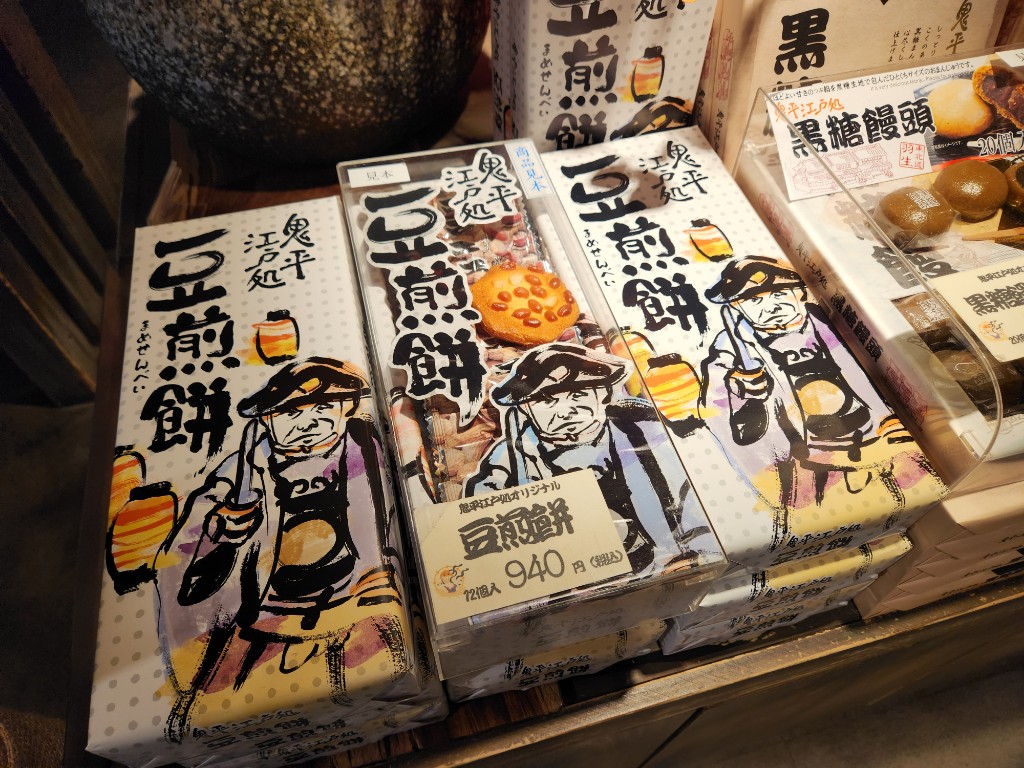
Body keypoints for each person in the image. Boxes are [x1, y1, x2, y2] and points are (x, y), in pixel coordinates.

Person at [157, 357, 408, 741]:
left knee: (378, 684)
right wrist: (220, 530)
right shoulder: (239, 471)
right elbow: (182, 557)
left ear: (345, 408)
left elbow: (388, 520)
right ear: (267, 419)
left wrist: (383, 568)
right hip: (264, 615)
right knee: (222, 703)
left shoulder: (364, 449)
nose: (308, 421)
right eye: (291, 412)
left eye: (323, 408)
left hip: (355, 602)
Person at [700, 255, 941, 549]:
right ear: (737, 307)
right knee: (815, 525)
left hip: (878, 439)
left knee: (904, 508)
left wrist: (888, 417)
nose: (771, 306)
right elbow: (719, 411)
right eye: (755, 301)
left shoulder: (829, 320)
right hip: (807, 461)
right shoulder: (731, 350)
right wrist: (743, 391)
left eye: (779, 294)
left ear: (799, 292)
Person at [465, 342, 712, 573]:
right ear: (525, 407)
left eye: (577, 395)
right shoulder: (509, 458)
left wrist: (699, 554)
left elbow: (691, 501)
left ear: (603, 394)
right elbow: (484, 516)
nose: (565, 410)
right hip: (565, 573)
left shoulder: (642, 435)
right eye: (548, 400)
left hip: (657, 563)